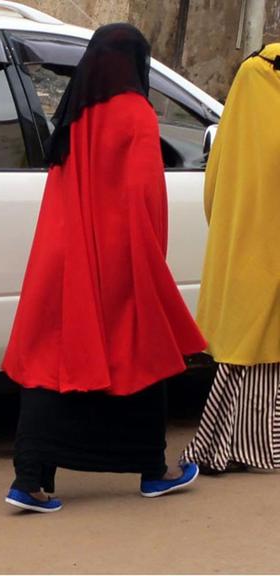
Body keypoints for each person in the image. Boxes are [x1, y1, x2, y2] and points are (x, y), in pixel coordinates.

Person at [2, 24, 205, 513]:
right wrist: (149, 253)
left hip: (61, 254)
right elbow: (143, 196)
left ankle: (29, 480)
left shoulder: (74, 114)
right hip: (117, 255)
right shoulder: (136, 113)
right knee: (141, 352)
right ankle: (152, 472)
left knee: (50, 362)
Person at [182, 44, 280, 473]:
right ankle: (261, 445)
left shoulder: (242, 113)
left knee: (244, 346)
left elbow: (212, 191)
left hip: (244, 253)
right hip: (265, 251)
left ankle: (230, 443)